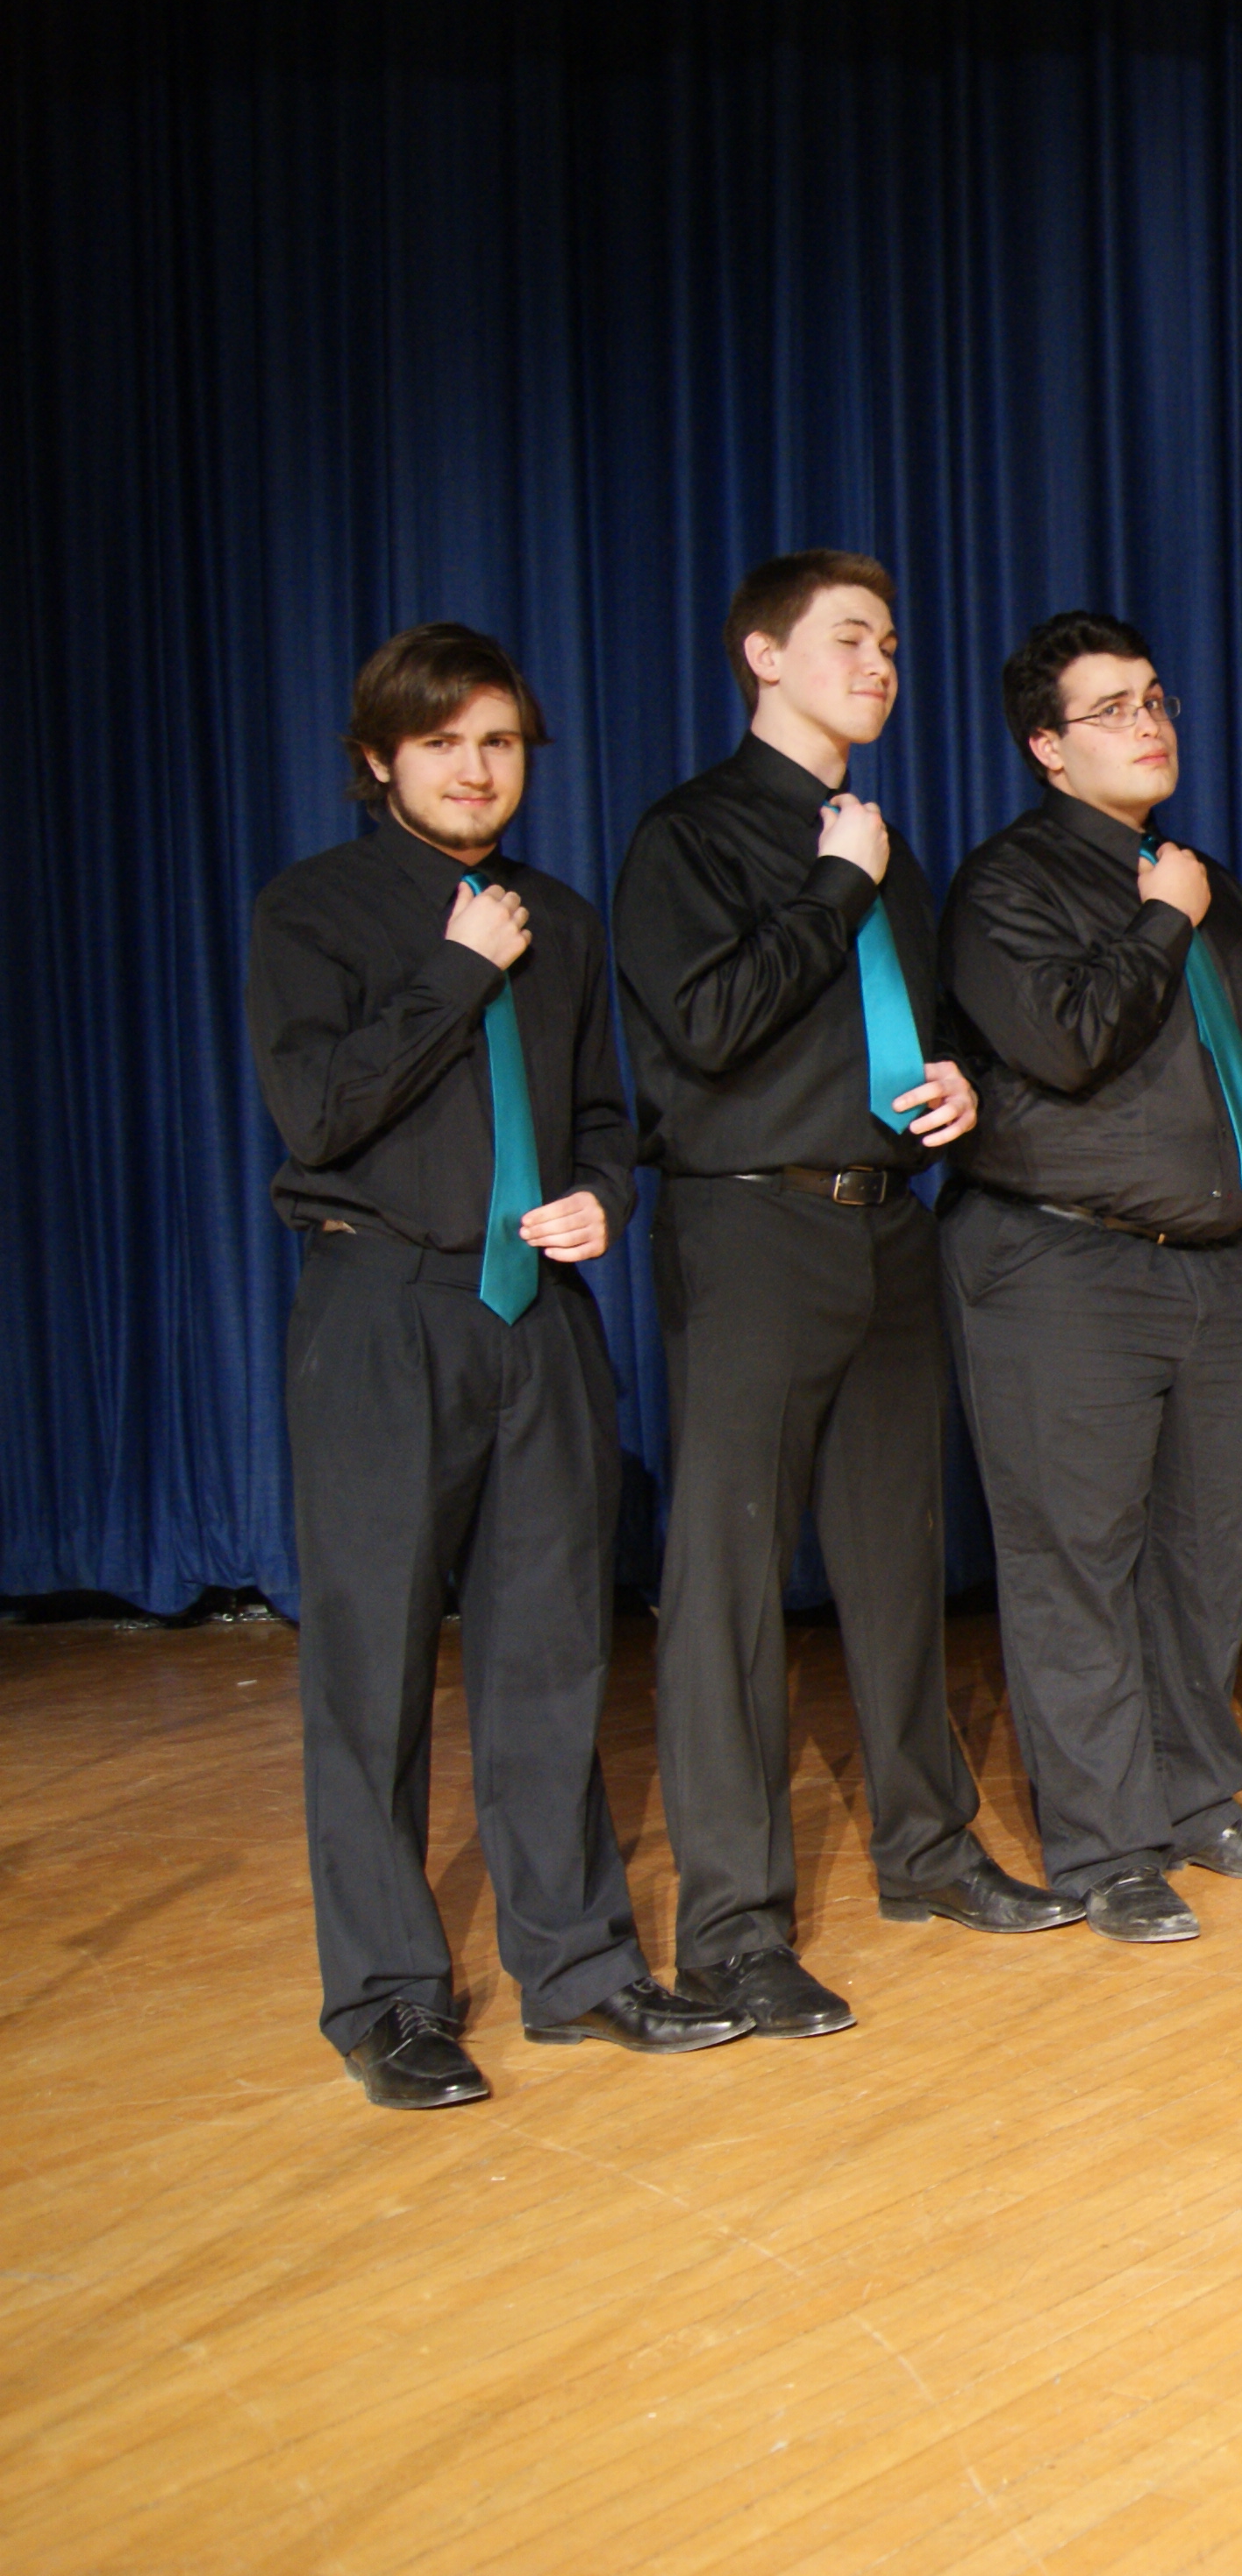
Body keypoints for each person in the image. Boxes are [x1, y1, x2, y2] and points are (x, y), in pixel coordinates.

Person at [248, 625, 748, 2106]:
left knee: (550, 1652)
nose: (475, 770)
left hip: (538, 1317)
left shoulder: (561, 918)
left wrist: (605, 1194)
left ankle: (579, 1966)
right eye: (442, 744)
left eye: (500, 743)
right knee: (373, 1668)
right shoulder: (314, 911)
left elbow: (599, 1115)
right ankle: (389, 1999)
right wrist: (456, 972)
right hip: (383, 1310)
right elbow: (319, 1112)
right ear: (378, 760)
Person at [614, 551, 1072, 2044]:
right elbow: (710, 1027)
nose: (880, 665)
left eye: (889, 643)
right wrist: (837, 881)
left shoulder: (876, 842)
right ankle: (733, 1933)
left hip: (884, 1226)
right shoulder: (697, 834)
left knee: (896, 1560)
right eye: (849, 639)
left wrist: (953, 1086)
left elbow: (900, 1031)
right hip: (751, 1227)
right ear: (764, 655)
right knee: (733, 1583)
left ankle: (928, 1848)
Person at [934, 611, 1242, 1944]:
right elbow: (1067, 1042)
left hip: (1218, 1268)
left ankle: (1198, 1799)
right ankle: (1107, 1846)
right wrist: (1162, 920)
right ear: (1047, 748)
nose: (1149, 723)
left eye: (1154, 697)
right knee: (1077, 1564)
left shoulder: (1205, 878)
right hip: (1064, 1264)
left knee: (1208, 1558)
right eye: (1110, 709)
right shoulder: (1010, 885)